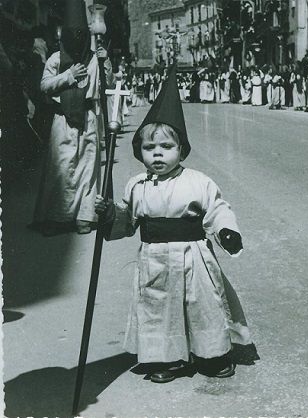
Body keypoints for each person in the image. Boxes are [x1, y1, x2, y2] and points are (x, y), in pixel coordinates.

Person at [95, 65, 259, 383]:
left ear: (181, 149)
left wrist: (226, 231)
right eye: (149, 148)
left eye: (166, 147)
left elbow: (217, 208)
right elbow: (127, 218)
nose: (158, 153)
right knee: (159, 307)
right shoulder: (136, 185)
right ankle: (166, 358)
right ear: (139, 152)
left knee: (204, 303)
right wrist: (109, 215)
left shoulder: (197, 181)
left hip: (194, 255)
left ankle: (212, 354)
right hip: (153, 258)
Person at [32, 0, 114, 236]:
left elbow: (105, 84)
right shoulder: (56, 59)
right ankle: (59, 216)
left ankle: (84, 216)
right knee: (63, 167)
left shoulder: (94, 58)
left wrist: (105, 61)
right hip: (63, 119)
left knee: (88, 167)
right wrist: (68, 76)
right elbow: (44, 85)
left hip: (88, 116)